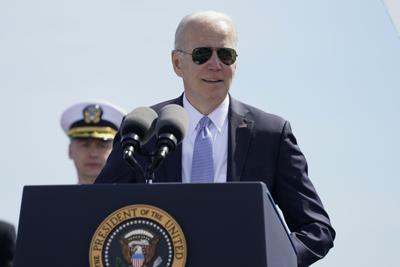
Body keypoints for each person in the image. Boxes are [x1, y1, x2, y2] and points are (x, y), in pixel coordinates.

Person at [95, 11, 335, 266]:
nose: (215, 64)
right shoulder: (144, 128)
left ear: (235, 63)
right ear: (177, 63)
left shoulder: (270, 134)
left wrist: (272, 260)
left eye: (225, 54)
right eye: (201, 54)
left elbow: (316, 229)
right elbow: (97, 210)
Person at [61, 100, 125, 184]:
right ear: (70, 150)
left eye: (102, 146)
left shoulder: (132, 197)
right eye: (85, 145)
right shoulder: (56, 197)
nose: (93, 154)